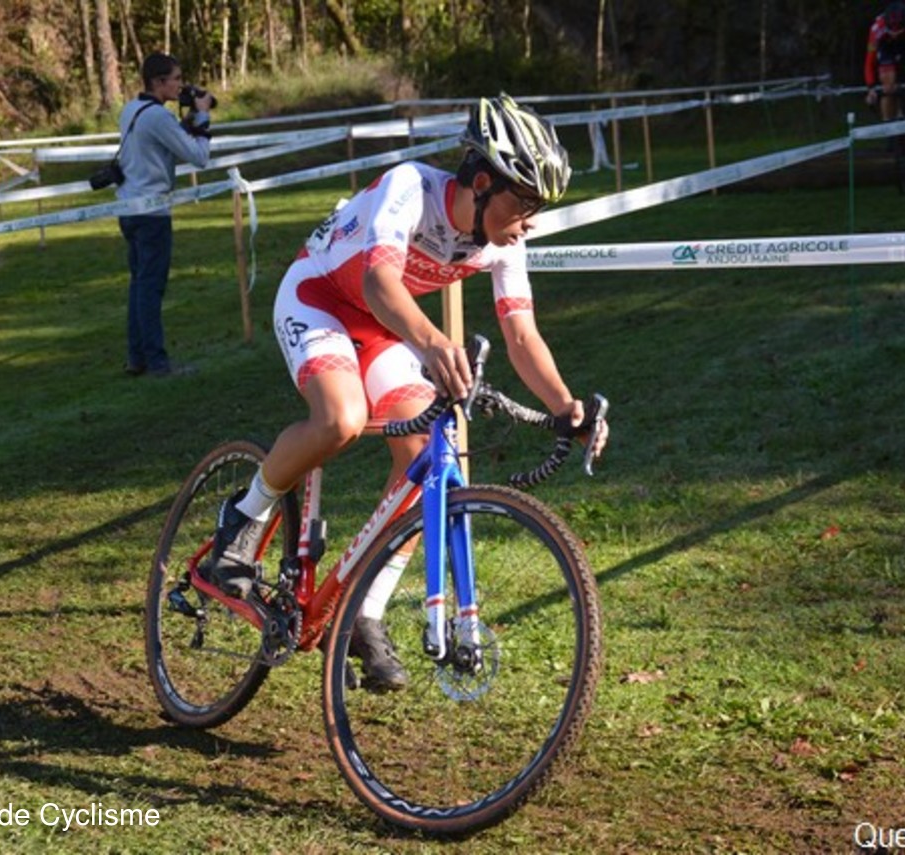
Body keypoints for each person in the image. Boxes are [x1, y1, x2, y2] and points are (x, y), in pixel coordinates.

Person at [204, 94, 610, 692]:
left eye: (539, 208)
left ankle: (363, 612)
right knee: (341, 419)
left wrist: (564, 406)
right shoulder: (410, 187)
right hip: (318, 300)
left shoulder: (502, 242)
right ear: (481, 183)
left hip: (378, 326)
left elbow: (521, 335)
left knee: (427, 456)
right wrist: (433, 343)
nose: (531, 221)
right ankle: (244, 515)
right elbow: (377, 280)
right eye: (524, 203)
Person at [116, 52, 214, 377]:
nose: (181, 86)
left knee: (138, 285)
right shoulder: (158, 116)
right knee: (150, 288)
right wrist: (202, 117)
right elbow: (199, 157)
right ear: (158, 82)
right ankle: (157, 362)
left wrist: (185, 122)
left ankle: (137, 358)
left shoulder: (131, 109)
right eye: (176, 79)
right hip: (151, 212)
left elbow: (161, 145)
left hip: (129, 208)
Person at [864, 2, 905, 122]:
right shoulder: (876, 28)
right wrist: (871, 88)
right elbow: (869, 63)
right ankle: (888, 123)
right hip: (886, 48)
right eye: (891, 30)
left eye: (899, 30)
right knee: (888, 86)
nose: (895, 33)